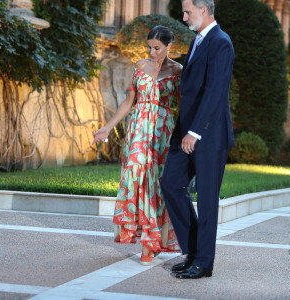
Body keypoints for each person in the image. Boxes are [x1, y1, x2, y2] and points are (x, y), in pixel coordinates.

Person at [92, 26, 182, 265]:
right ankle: (142, 235)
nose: (152, 52)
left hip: (162, 133)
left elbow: (185, 107)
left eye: (157, 48)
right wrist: (107, 127)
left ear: (169, 46)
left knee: (155, 183)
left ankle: (150, 243)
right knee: (135, 177)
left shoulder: (179, 70)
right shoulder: (140, 66)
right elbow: (129, 101)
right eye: (149, 47)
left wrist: (185, 138)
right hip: (138, 128)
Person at [161, 0, 235, 279]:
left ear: (204, 10)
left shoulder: (221, 42)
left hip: (209, 135)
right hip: (186, 132)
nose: (183, 16)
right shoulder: (198, 41)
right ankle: (193, 250)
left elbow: (215, 91)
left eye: (187, 11)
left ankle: (203, 262)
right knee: (170, 184)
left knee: (206, 200)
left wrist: (196, 131)